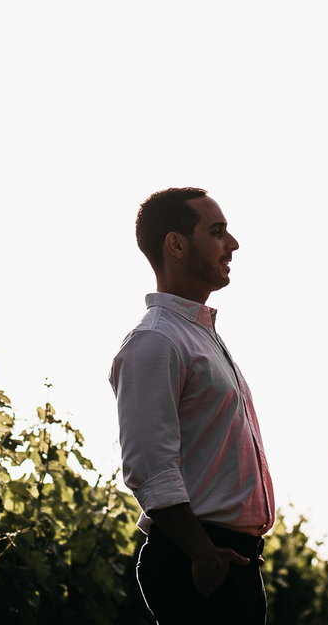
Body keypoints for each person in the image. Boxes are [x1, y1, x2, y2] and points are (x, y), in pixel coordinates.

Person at [110, 187, 275, 625]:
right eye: (217, 232)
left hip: (228, 560)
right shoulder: (156, 342)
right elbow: (149, 466)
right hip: (198, 560)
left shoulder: (197, 335)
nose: (232, 244)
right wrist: (202, 554)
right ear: (177, 245)